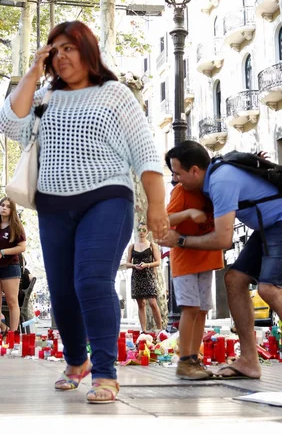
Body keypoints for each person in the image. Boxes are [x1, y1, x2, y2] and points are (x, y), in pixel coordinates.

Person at [0, 20, 168, 403]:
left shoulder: (116, 94)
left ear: (87, 49)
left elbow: (145, 154)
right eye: (54, 51)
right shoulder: (44, 96)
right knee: (61, 291)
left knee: (91, 281)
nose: (61, 57)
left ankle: (105, 372)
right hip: (54, 205)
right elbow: (9, 123)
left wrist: (156, 206)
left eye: (68, 48)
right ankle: (76, 362)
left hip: (107, 199)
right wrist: (33, 68)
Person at [161, 140, 282, 380]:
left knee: (269, 289)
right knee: (234, 279)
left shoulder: (220, 181)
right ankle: (248, 361)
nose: (175, 180)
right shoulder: (216, 176)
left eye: (178, 174)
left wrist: (180, 240)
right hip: (270, 224)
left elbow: (223, 239)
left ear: (195, 170)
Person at [165, 175, 224, 380]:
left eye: (178, 172)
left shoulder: (214, 187)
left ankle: (193, 359)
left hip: (207, 256)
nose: (175, 177)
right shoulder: (181, 190)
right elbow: (165, 219)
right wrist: (188, 213)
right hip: (185, 258)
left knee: (202, 310)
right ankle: (185, 361)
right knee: (190, 309)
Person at [126, 221, 163, 333]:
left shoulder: (152, 245)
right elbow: (127, 263)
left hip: (149, 276)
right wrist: (134, 265)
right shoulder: (132, 246)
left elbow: (158, 261)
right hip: (137, 277)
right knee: (141, 304)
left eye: (144, 230)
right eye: (139, 230)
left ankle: (160, 329)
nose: (141, 232)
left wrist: (147, 265)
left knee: (153, 302)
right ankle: (144, 330)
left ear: (147, 232)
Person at [0, 197, 26, 334]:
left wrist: (3, 252)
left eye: (8, 206)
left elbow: (22, 247)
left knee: (11, 301)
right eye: (2, 205)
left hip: (10, 266)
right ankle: (4, 328)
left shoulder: (16, 226)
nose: (4, 208)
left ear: (12, 210)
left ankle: (13, 334)